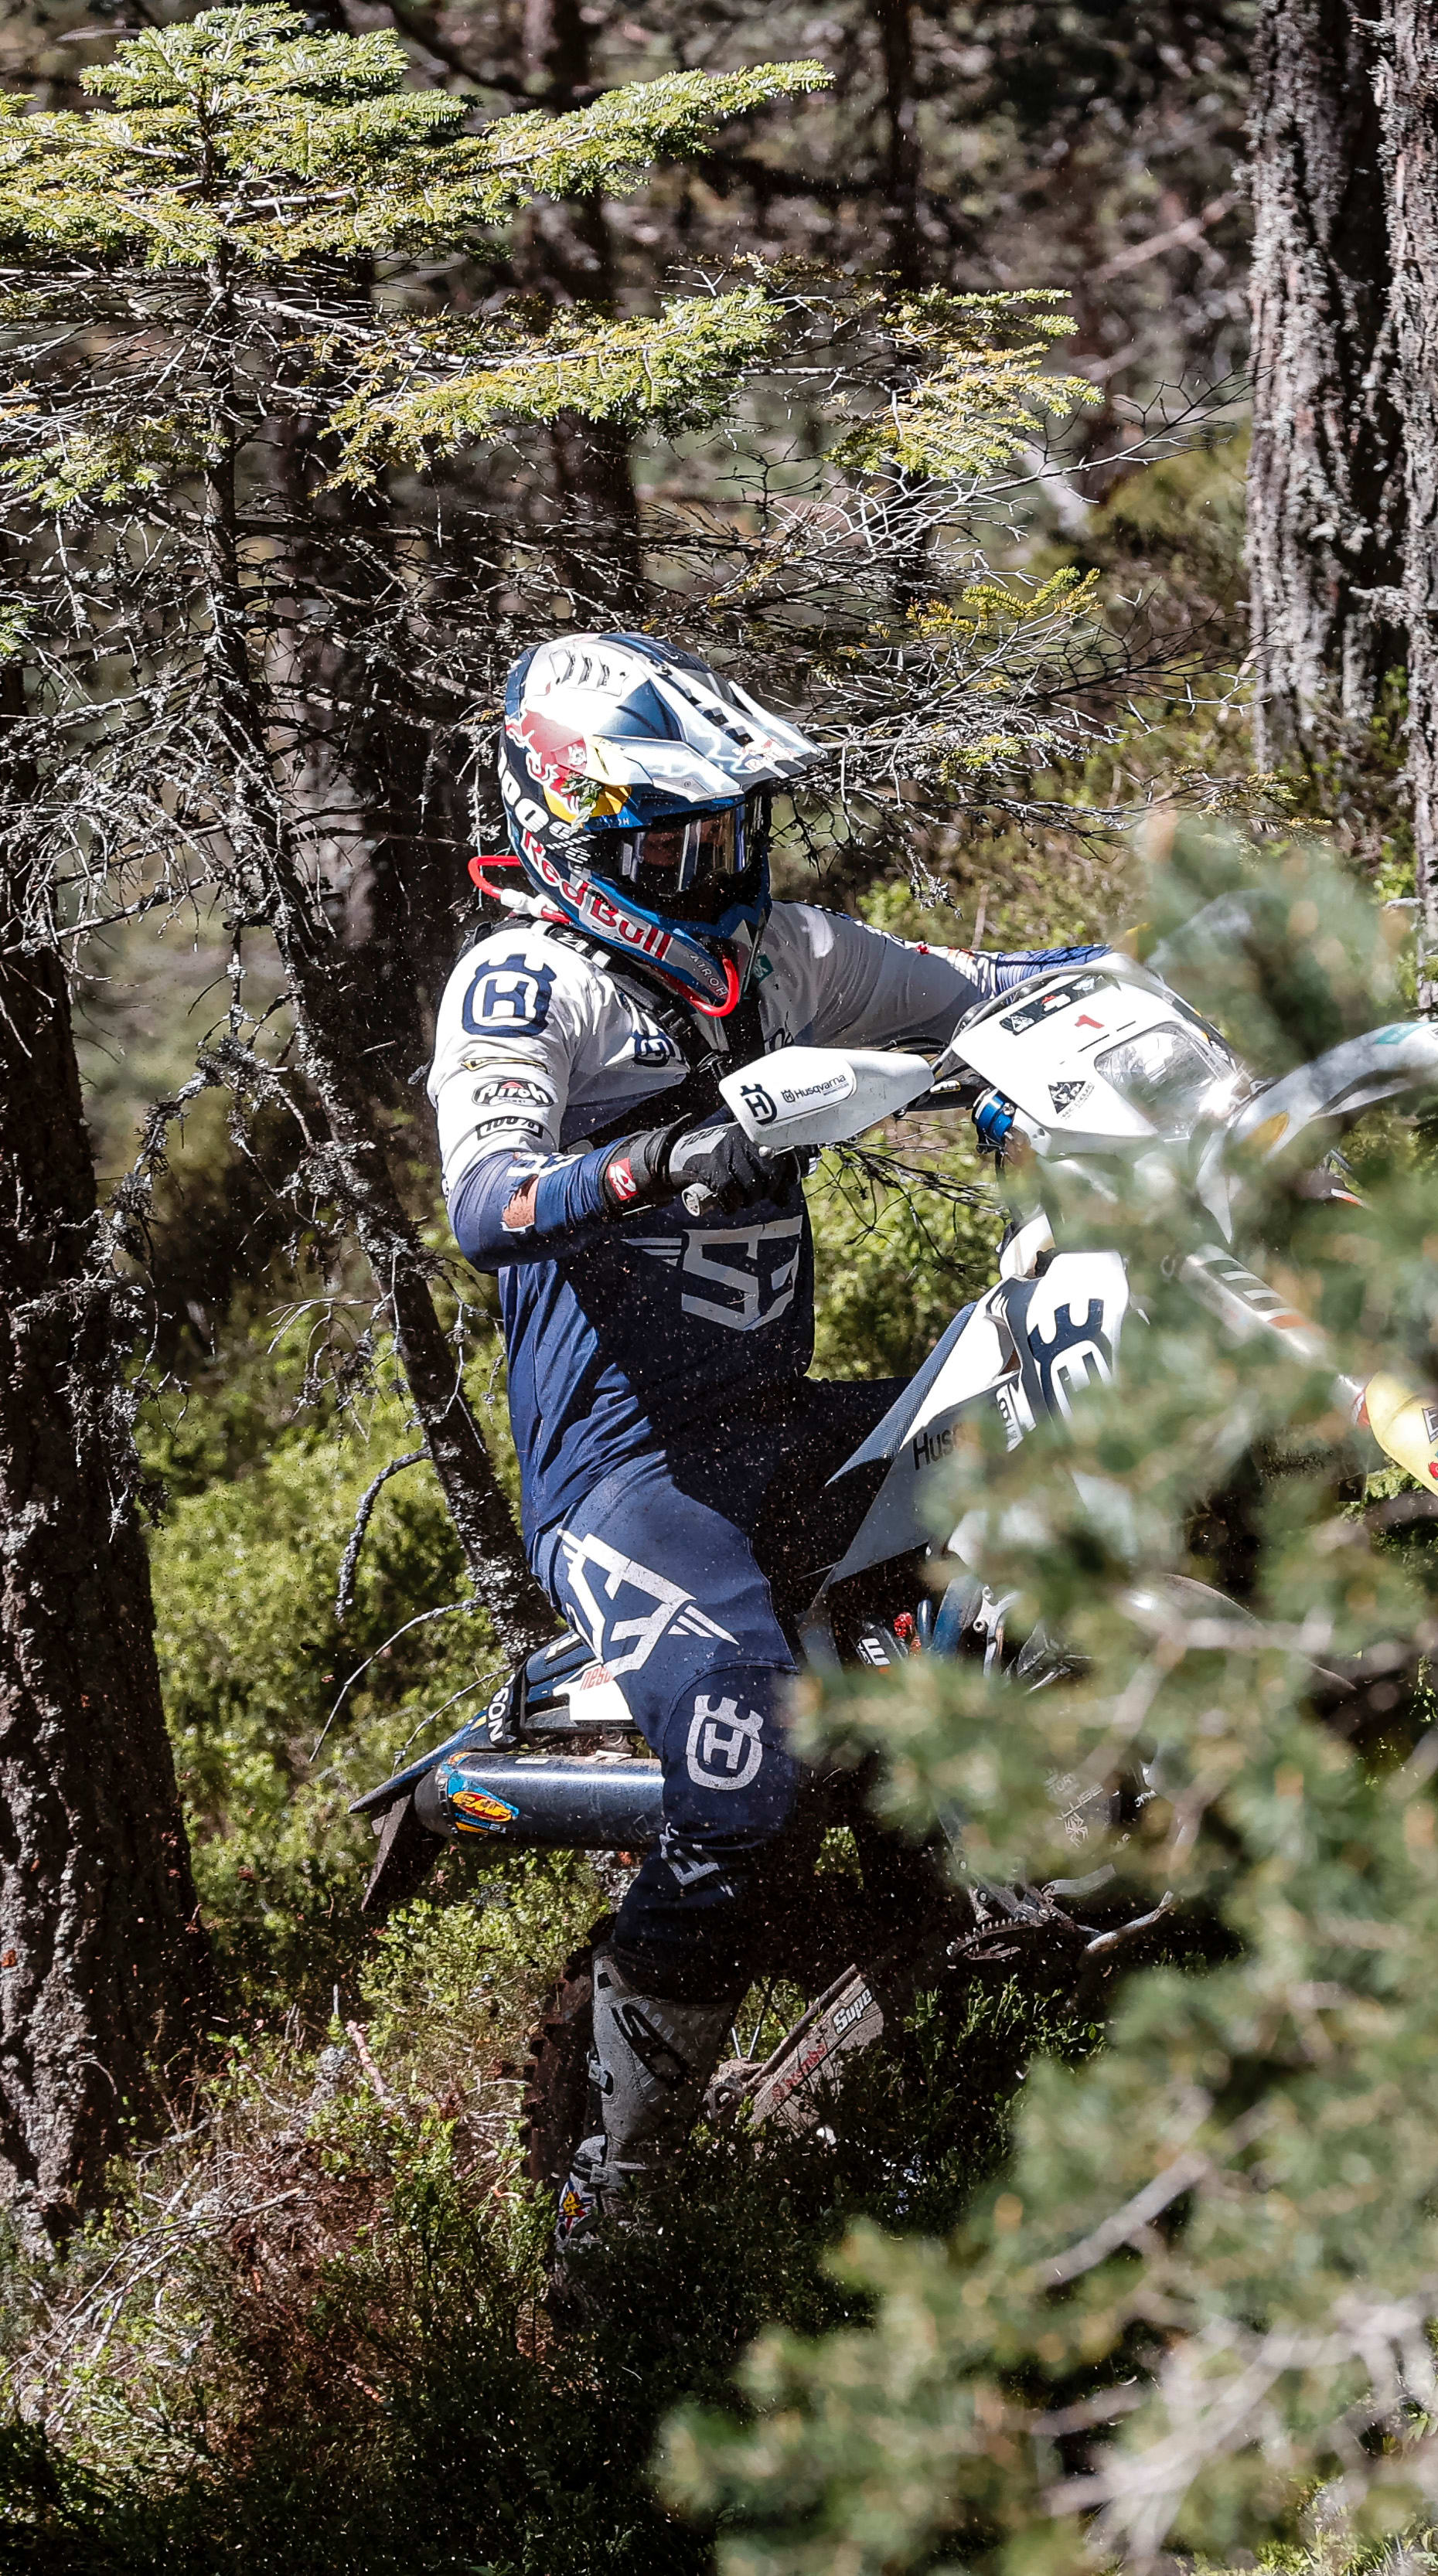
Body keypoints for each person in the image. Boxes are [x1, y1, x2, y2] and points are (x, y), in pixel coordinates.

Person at [429, 630, 1096, 2249]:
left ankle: (1005, 1856)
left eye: (730, 834)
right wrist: (665, 1158)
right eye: (671, 847)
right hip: (627, 1482)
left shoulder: (785, 954)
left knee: (1057, 1424)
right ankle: (615, 2199)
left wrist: (1114, 1004)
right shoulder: (528, 983)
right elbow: (485, 1201)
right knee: (745, 1773)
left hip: (780, 1428)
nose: (713, 874)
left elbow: (992, 989)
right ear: (570, 838)